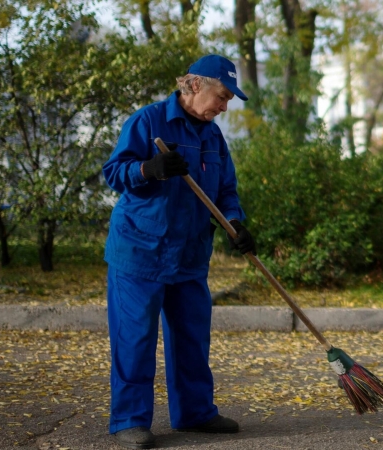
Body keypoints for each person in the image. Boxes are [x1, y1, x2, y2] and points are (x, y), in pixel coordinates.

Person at [101, 54, 257, 450]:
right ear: (192, 85)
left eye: (228, 101)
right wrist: (148, 169)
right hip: (140, 254)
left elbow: (225, 191)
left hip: (189, 257)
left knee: (192, 337)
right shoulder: (148, 121)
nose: (224, 107)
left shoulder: (213, 137)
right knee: (135, 340)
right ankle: (129, 422)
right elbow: (113, 172)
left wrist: (234, 224)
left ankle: (195, 413)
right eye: (221, 97)